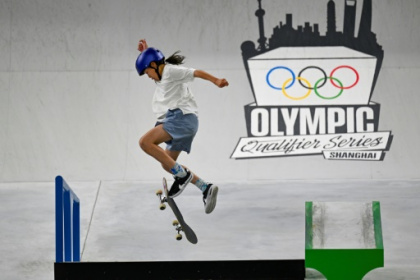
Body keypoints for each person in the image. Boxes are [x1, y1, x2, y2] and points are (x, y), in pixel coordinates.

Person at [136, 39, 229, 214]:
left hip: (180, 118)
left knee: (145, 142)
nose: (148, 76)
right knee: (167, 162)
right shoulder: (161, 74)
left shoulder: (171, 71)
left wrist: (216, 80)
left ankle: (182, 176)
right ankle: (205, 187)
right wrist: (145, 52)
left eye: (147, 72)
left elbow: (196, 72)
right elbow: (153, 63)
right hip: (184, 123)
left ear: (155, 65)